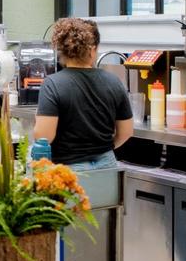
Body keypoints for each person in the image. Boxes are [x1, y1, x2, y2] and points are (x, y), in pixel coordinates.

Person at [31, 17, 133, 170]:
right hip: (107, 166)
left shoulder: (53, 84)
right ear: (92, 50)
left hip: (70, 169)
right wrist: (102, 150)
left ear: (62, 50)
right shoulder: (114, 81)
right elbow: (126, 132)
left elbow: (44, 136)